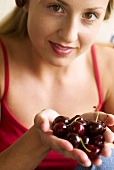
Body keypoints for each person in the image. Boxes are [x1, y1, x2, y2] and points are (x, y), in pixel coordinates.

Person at [0, 0, 114, 169]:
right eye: (56, 8)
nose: (69, 35)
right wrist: (39, 139)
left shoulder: (109, 66)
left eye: (89, 15)